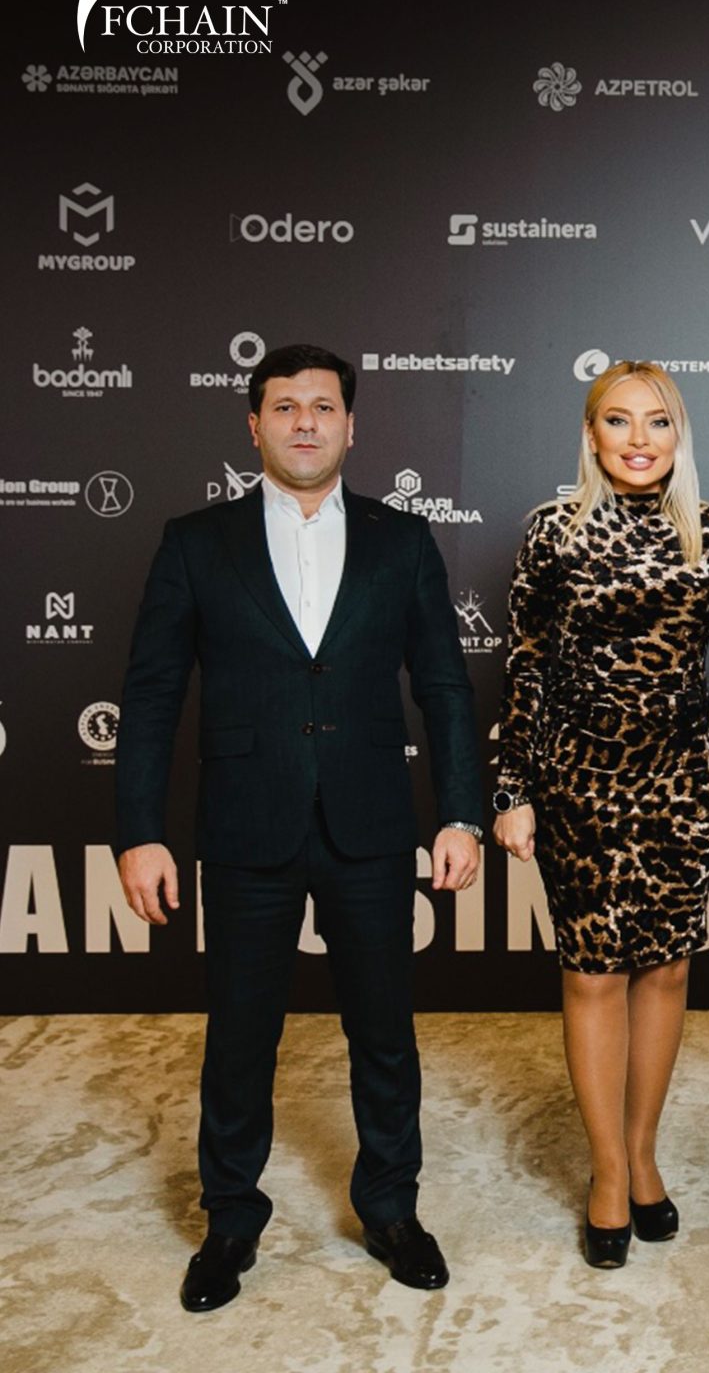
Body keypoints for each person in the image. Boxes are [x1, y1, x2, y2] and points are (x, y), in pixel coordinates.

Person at [115, 345, 482, 1312]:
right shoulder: (196, 541)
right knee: (240, 1036)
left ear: (351, 426)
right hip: (247, 826)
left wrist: (461, 813)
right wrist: (139, 831)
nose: (305, 422)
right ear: (254, 426)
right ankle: (230, 1220)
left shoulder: (404, 540)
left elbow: (445, 687)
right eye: (285, 407)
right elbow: (151, 695)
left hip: (370, 823)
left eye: (323, 406)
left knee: (384, 1033)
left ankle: (391, 1210)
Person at [493, 360, 709, 1269]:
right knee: (594, 975)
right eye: (619, 421)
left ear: (679, 435)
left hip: (681, 781)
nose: (639, 440)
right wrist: (512, 790)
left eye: (657, 422)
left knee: (668, 972)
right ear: (591, 433)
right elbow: (525, 664)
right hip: (578, 784)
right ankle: (607, 1171)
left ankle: (644, 1154)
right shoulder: (552, 532)